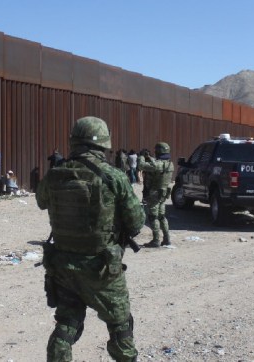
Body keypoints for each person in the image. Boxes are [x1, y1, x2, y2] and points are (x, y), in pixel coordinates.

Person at [36, 116, 145, 362]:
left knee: (66, 323)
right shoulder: (113, 176)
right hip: (101, 268)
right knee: (120, 324)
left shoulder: (55, 174)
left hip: (63, 265)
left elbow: (41, 201)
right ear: (104, 145)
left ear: (74, 142)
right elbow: (137, 223)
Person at [139, 142, 175, 248]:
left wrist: (141, 156)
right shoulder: (170, 164)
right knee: (162, 216)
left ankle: (156, 240)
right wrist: (149, 157)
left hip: (154, 194)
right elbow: (158, 165)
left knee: (153, 217)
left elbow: (141, 165)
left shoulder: (157, 165)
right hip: (163, 193)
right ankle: (167, 239)